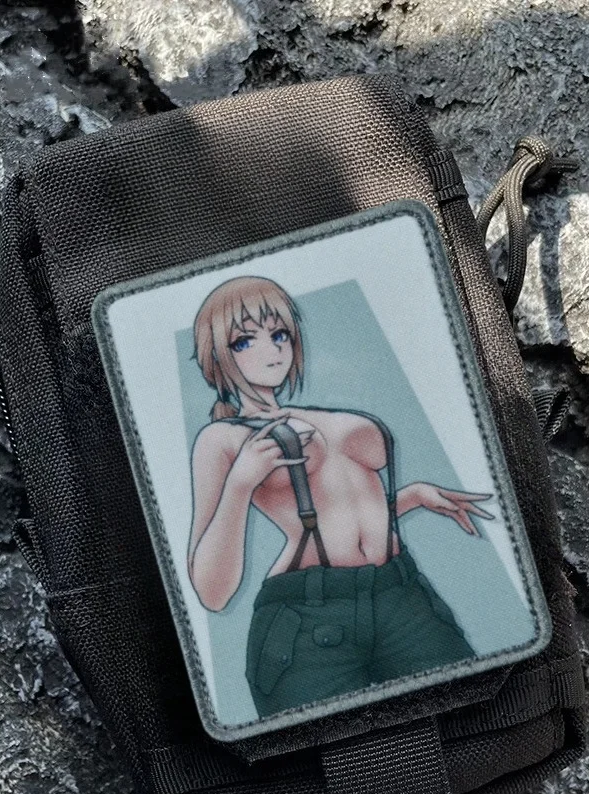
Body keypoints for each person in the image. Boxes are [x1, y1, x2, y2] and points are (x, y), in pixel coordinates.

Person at [186, 276, 494, 717]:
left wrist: (410, 497)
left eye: (279, 334)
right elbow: (212, 591)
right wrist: (240, 483)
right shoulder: (222, 439)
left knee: (474, 713)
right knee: (334, 749)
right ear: (218, 354)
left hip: (401, 592)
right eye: (244, 341)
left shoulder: (316, 413)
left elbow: (340, 507)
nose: (272, 350)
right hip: (308, 618)